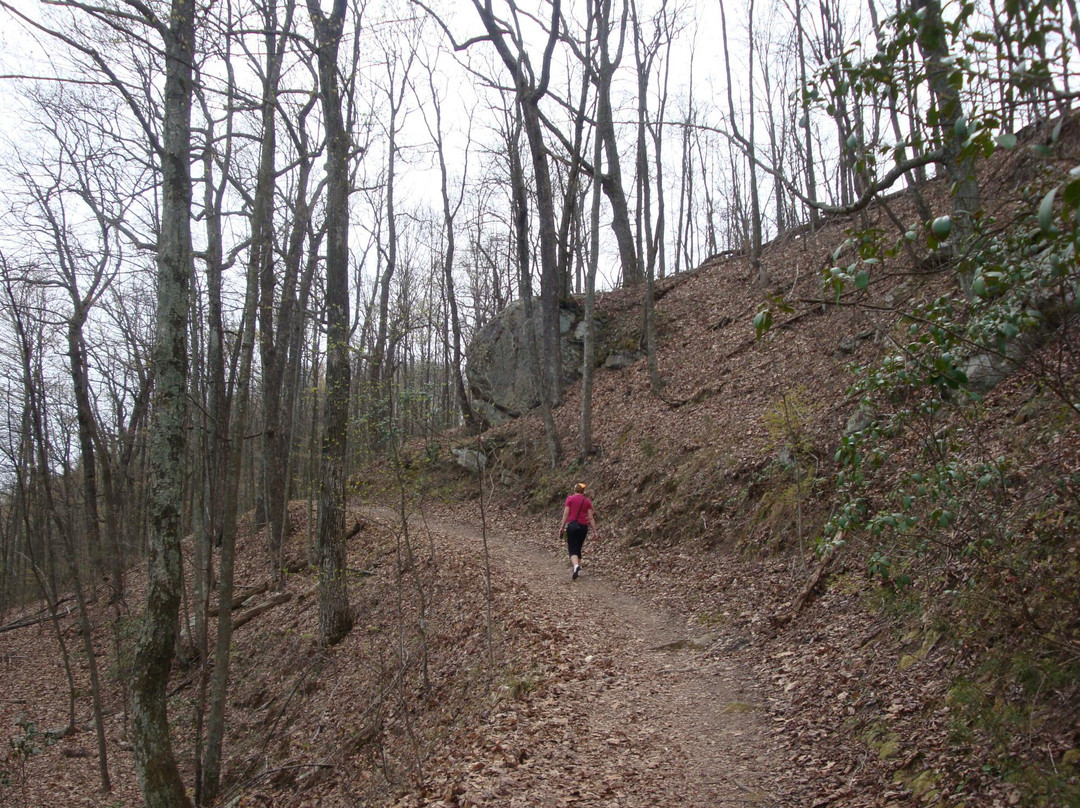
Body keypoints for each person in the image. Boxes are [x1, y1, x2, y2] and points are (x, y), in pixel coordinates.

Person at [558, 482, 598, 580]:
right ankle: (578, 571)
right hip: (583, 527)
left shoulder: (570, 499)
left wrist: (562, 527)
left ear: (575, 490)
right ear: (583, 491)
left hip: (572, 526)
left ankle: (576, 566)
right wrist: (595, 531)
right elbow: (591, 518)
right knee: (578, 548)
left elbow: (566, 514)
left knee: (572, 549)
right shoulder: (587, 501)